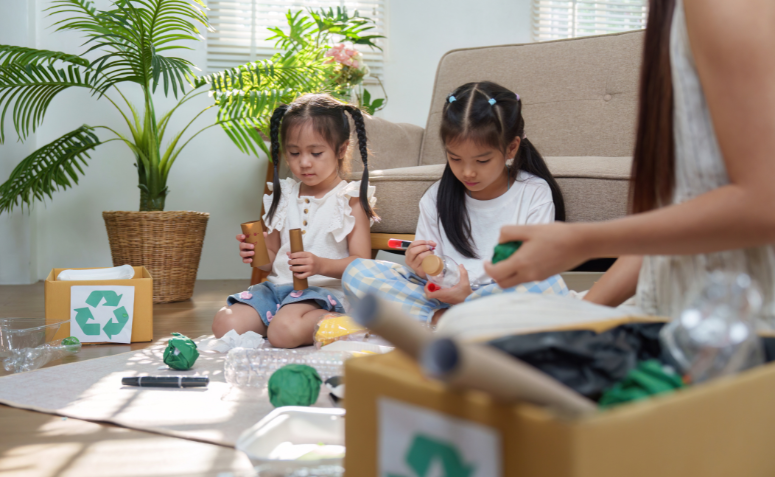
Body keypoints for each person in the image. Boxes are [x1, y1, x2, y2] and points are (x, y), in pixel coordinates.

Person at [485, 0, 775, 322]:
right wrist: (581, 316)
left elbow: (765, 203)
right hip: (677, 309)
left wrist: (581, 242)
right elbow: (672, 226)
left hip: (734, 328)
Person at [343, 81, 568, 324]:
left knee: (549, 286)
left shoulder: (534, 193)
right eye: (455, 158)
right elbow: (434, 271)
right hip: (446, 297)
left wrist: (469, 297)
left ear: (511, 147)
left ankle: (450, 321)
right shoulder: (435, 198)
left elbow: (533, 270)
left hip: (501, 295)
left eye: (482, 161)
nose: (468, 172)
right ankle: (449, 320)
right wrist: (422, 267)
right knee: (357, 273)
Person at [212, 94, 377, 348]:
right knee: (225, 325)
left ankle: (346, 322)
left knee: (283, 332)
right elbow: (271, 260)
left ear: (341, 150)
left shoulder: (349, 199)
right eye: (294, 152)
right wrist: (256, 252)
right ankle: (282, 321)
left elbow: (361, 264)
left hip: (320, 295)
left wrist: (320, 264)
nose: (304, 162)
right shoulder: (285, 194)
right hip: (276, 290)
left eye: (316, 152)